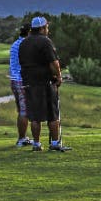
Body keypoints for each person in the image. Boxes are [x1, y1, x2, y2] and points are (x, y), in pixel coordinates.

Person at [16, 16, 70, 152]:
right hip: (45, 82)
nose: (48, 29)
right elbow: (54, 63)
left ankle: (36, 144)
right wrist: (58, 77)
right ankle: (55, 143)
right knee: (52, 114)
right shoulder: (45, 42)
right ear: (41, 28)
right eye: (47, 27)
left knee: (35, 116)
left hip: (29, 82)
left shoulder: (23, 43)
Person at [9, 25, 33, 147]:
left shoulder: (15, 43)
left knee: (21, 111)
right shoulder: (25, 45)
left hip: (14, 80)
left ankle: (22, 138)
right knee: (25, 111)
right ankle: (21, 139)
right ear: (29, 32)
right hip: (22, 81)